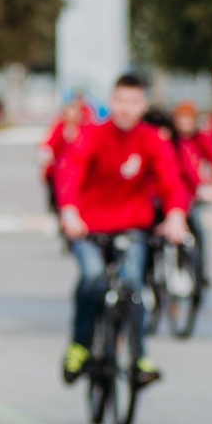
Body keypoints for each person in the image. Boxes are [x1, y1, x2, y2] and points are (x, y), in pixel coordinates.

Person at [56, 73, 192, 384]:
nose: (126, 108)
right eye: (120, 100)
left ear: (143, 105)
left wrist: (175, 215)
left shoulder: (151, 140)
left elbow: (172, 181)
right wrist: (70, 212)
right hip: (88, 228)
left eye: (133, 102)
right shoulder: (92, 135)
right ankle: (79, 346)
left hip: (132, 227)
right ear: (111, 101)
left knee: (133, 286)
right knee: (91, 277)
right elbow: (70, 171)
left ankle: (139, 356)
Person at [166, 99, 212, 272]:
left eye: (188, 120)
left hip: (194, 191)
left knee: (197, 228)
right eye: (181, 120)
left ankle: (200, 269)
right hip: (174, 190)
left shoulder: (200, 139)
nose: (184, 125)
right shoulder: (170, 140)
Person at [39, 93, 96, 224]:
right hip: (58, 171)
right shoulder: (60, 128)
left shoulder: (85, 130)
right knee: (56, 197)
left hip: (78, 172)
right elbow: (49, 146)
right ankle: (55, 216)